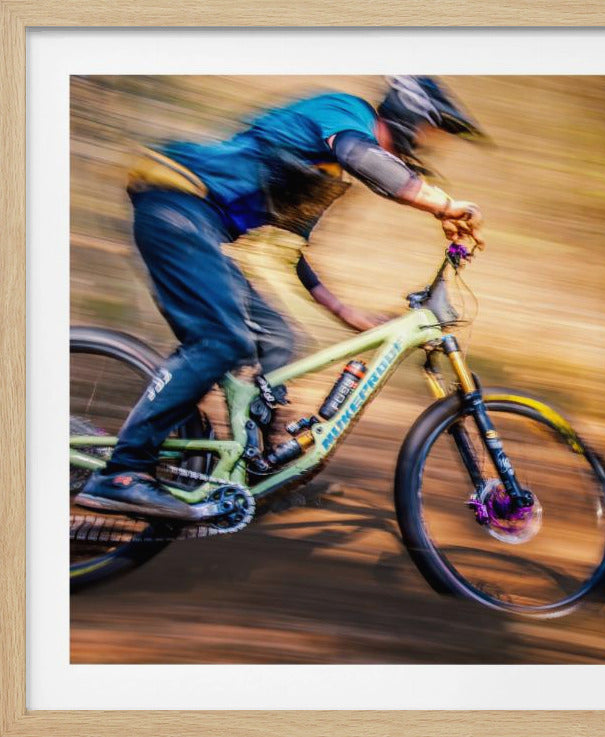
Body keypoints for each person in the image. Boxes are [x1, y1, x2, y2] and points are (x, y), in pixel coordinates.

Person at [75, 76, 485, 519]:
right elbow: (365, 158)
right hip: (176, 203)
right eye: (430, 130)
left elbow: (289, 251)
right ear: (410, 114)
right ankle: (122, 473)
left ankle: (254, 474)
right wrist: (443, 204)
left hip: (198, 225)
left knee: (276, 339)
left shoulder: (326, 170)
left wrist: (346, 311)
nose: (427, 144)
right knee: (219, 342)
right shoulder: (347, 114)